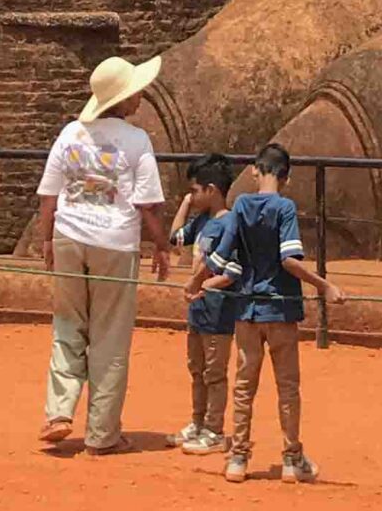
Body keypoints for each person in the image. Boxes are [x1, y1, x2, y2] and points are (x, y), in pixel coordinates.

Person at [37, 53, 170, 455]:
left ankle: (59, 411)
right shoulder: (136, 140)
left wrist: (48, 241)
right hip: (114, 242)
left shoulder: (70, 133)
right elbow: (147, 204)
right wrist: (161, 245)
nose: (140, 97)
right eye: (134, 92)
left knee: (67, 326)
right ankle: (101, 434)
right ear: (121, 100)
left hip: (69, 237)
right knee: (110, 337)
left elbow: (49, 195)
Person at [193, 141, 340, 484]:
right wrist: (325, 286)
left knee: (244, 386)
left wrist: (196, 284)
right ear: (285, 177)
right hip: (281, 311)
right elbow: (289, 260)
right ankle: (291, 459)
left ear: (257, 171)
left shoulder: (241, 205)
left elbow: (218, 258)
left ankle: (239, 459)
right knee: (288, 387)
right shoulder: (285, 208)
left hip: (246, 311)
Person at [171, 156, 240, 454]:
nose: (193, 195)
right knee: (196, 369)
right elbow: (176, 237)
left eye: (196, 190)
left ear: (212, 190)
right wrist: (186, 203)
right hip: (197, 309)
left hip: (218, 310)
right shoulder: (201, 220)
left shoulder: (230, 224)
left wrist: (202, 284)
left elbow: (231, 269)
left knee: (214, 372)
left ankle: (214, 429)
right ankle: (197, 422)